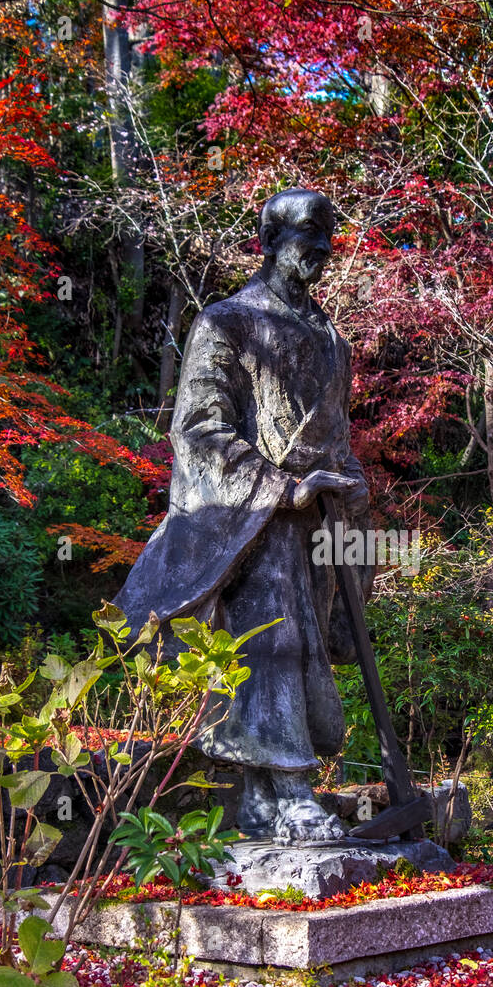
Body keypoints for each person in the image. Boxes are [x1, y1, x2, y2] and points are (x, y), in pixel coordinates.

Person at [114, 187, 373, 843]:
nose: (318, 247)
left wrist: (349, 482)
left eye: (326, 235)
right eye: (305, 232)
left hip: (319, 521)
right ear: (267, 239)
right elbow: (198, 428)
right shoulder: (226, 321)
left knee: (310, 649)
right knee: (273, 645)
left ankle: (270, 796)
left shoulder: (332, 339)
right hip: (251, 521)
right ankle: (284, 789)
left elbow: (337, 432)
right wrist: (280, 487)